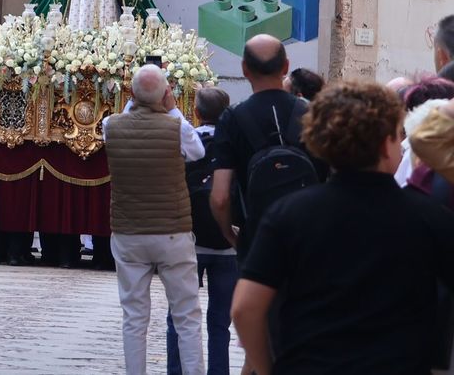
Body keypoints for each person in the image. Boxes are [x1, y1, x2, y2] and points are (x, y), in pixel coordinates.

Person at [233, 81, 454, 375]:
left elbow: (245, 308)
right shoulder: (427, 216)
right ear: (386, 143)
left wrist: (267, 368)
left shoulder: (289, 215)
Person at [102, 64, 205, 375]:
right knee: (186, 315)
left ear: (130, 93)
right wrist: (173, 110)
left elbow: (124, 116)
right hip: (172, 231)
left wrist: (138, 99)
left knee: (134, 317)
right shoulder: (177, 128)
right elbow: (198, 152)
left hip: (129, 231)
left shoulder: (110, 125)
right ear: (167, 94)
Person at [209, 35, 322, 259]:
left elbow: (220, 197)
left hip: (258, 238)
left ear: (244, 69)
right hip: (309, 236)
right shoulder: (315, 115)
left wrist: (231, 236)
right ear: (286, 67)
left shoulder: (232, 119)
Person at [165, 87, 236, 375]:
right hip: (228, 242)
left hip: (189, 241)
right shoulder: (235, 145)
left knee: (178, 317)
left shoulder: (186, 142)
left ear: (196, 111)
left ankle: (177, 370)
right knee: (220, 321)